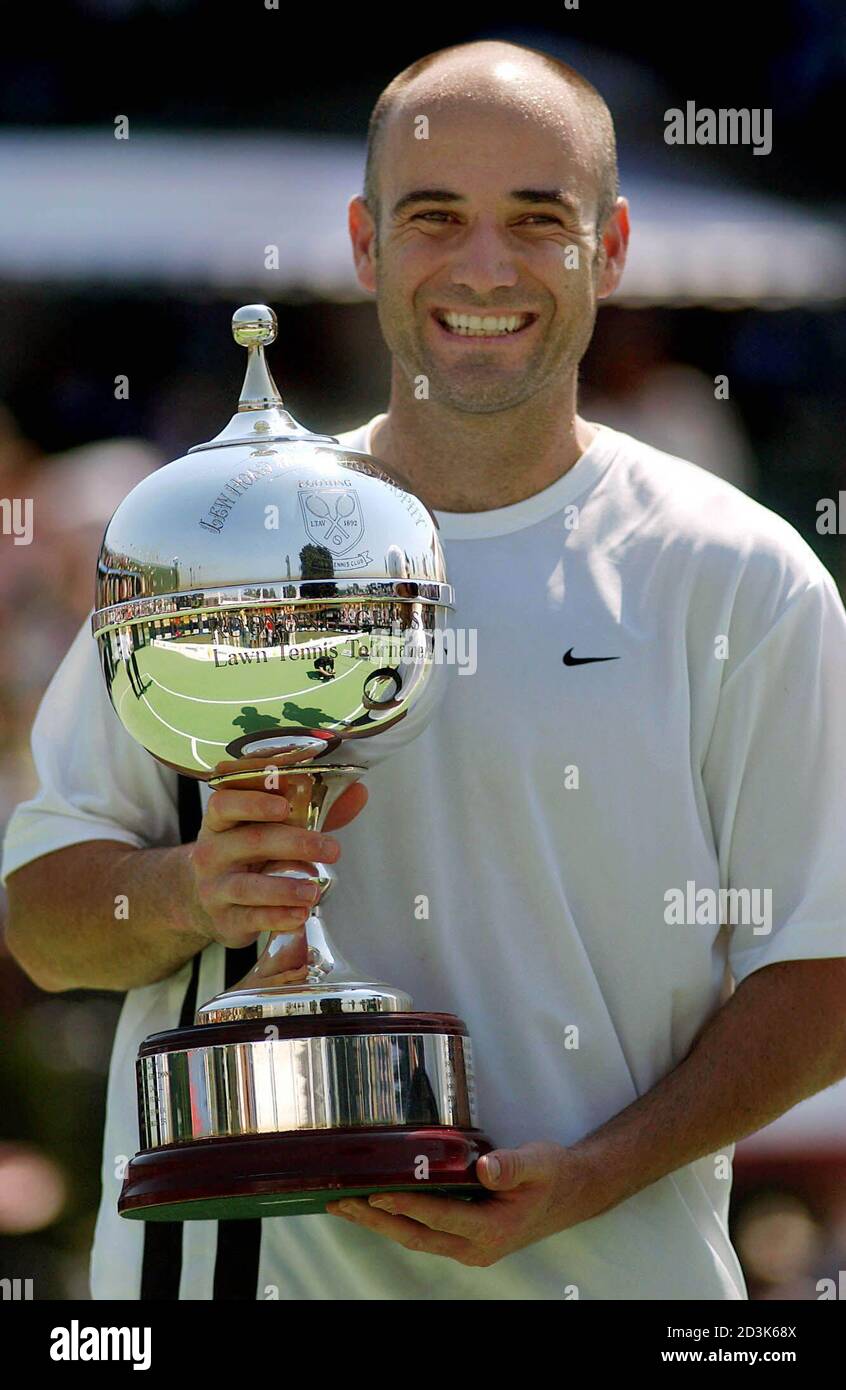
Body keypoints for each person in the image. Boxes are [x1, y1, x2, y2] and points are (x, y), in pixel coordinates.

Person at [4, 40, 846, 1302]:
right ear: (365, 243)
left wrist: (599, 1173)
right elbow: (47, 919)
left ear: (611, 249)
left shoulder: (745, 577)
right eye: (436, 217)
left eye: (537, 221)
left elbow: (822, 970)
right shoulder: (215, 536)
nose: (485, 268)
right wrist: (186, 890)